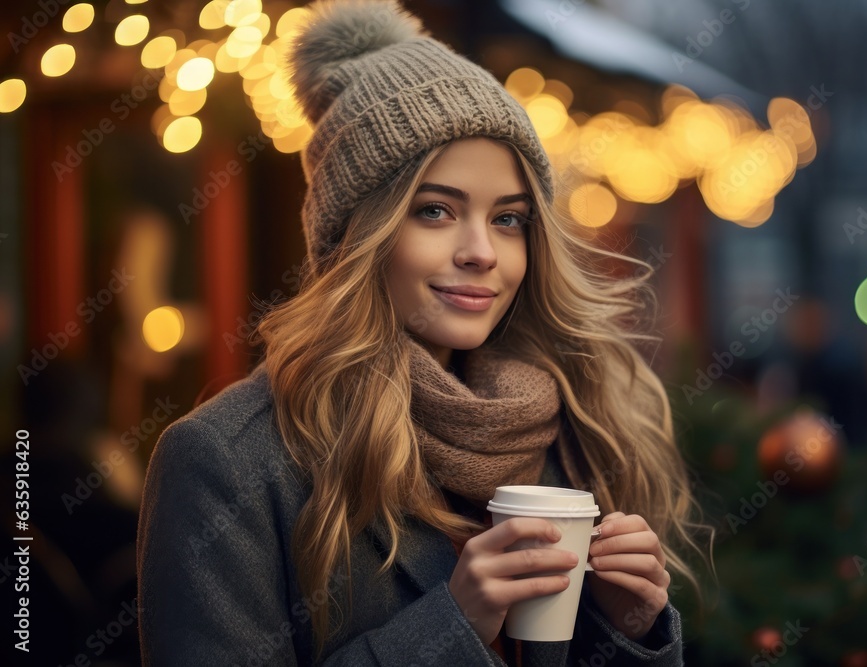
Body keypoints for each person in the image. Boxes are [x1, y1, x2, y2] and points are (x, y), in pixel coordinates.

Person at [136, 0, 708, 664]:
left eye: (509, 218)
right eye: (436, 210)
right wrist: (452, 624)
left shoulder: (566, 430)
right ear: (356, 236)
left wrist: (631, 630)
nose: (482, 252)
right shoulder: (225, 464)